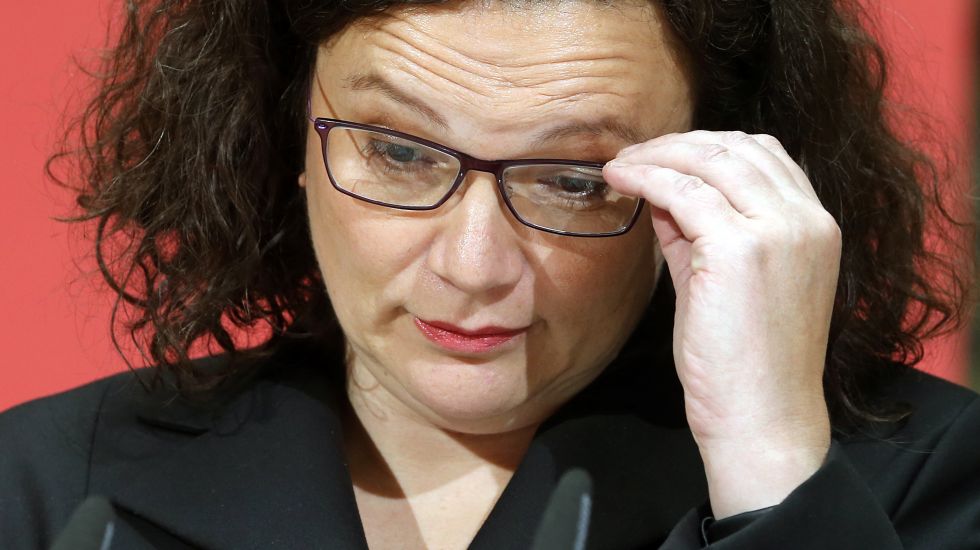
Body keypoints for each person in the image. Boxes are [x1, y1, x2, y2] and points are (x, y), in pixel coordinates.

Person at [2, 0, 978, 548]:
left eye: (574, 178)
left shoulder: (922, 480)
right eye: (397, 151)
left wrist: (770, 469)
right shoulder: (43, 483)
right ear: (281, 128)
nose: (473, 266)